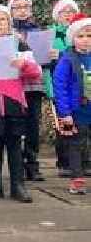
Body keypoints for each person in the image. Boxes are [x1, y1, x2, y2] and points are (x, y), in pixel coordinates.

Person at [0, 4, 42, 203]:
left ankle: (17, 185)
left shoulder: (20, 45)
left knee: (14, 144)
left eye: (2, 19)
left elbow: (35, 72)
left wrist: (24, 65)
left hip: (14, 102)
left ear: (8, 22)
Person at [8, 0, 46, 181]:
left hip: (34, 85)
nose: (22, 11)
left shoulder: (38, 31)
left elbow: (42, 61)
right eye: (18, 7)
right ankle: (17, 164)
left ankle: (32, 163)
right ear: (11, 10)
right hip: (14, 84)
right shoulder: (6, 32)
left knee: (32, 125)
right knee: (16, 125)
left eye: (26, 7)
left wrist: (51, 55)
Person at [53, 13, 91, 194]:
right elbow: (60, 87)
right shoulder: (67, 59)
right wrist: (64, 112)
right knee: (76, 143)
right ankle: (77, 177)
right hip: (77, 110)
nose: (85, 40)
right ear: (72, 38)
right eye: (80, 36)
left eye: (89, 36)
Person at [47, 0, 81, 176]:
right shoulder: (51, 34)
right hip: (59, 83)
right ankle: (64, 163)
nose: (68, 14)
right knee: (62, 124)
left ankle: (81, 161)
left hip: (80, 85)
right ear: (57, 16)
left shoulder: (82, 32)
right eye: (64, 11)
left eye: (71, 11)